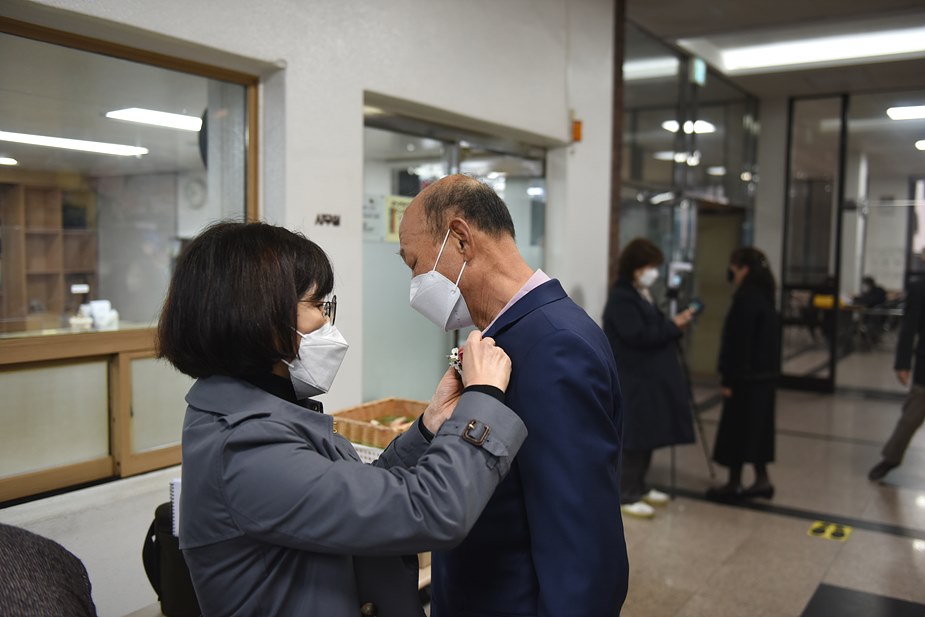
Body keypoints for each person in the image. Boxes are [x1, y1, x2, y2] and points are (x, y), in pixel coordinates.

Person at [156, 221, 527, 617]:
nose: (327, 322)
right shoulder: (245, 447)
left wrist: (429, 426)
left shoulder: (262, 412)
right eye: (317, 306)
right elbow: (427, 510)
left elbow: (360, 495)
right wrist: (483, 399)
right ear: (258, 316)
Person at [398, 175, 628, 616]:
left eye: (415, 264)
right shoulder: (507, 334)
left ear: (460, 239)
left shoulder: (553, 346)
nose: (414, 282)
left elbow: (580, 541)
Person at [602, 238, 696, 519]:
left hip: (648, 377)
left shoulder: (641, 293)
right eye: (649, 266)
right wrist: (673, 327)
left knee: (648, 433)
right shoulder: (622, 297)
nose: (653, 273)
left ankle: (640, 486)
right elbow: (638, 335)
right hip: (633, 378)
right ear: (635, 267)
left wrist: (671, 325)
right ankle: (626, 493)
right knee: (634, 436)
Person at [707, 247, 780, 501]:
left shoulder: (746, 299)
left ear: (744, 269)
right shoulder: (766, 297)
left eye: (734, 267)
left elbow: (738, 343)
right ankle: (762, 479)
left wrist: (728, 377)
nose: (732, 272)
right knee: (758, 430)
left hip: (745, 379)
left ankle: (734, 482)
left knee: (736, 430)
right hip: (764, 377)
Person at [868, 278, 925, 481]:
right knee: (910, 418)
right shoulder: (920, 288)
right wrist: (903, 363)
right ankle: (891, 458)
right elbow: (909, 327)